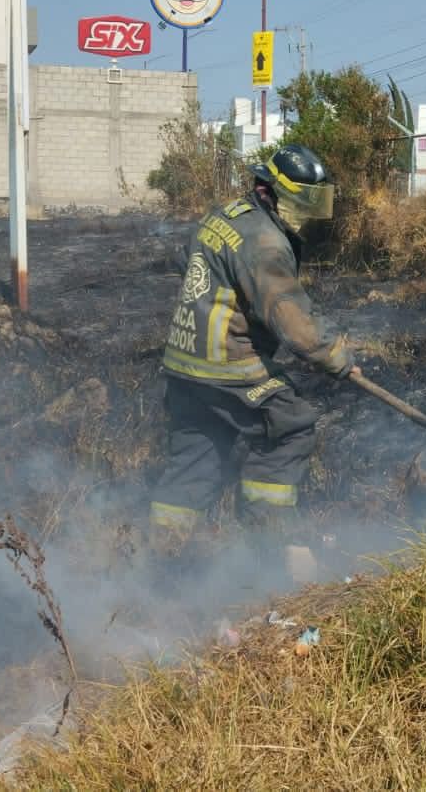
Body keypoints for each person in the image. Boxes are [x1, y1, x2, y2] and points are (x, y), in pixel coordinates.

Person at [149, 144, 358, 552]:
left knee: (197, 453)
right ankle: (268, 540)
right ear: (272, 189)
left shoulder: (225, 215)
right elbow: (294, 324)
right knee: (291, 425)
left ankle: (163, 553)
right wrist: (338, 358)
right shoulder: (265, 242)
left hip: (183, 360)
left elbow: (190, 263)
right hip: (227, 363)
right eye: (303, 200)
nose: (309, 212)